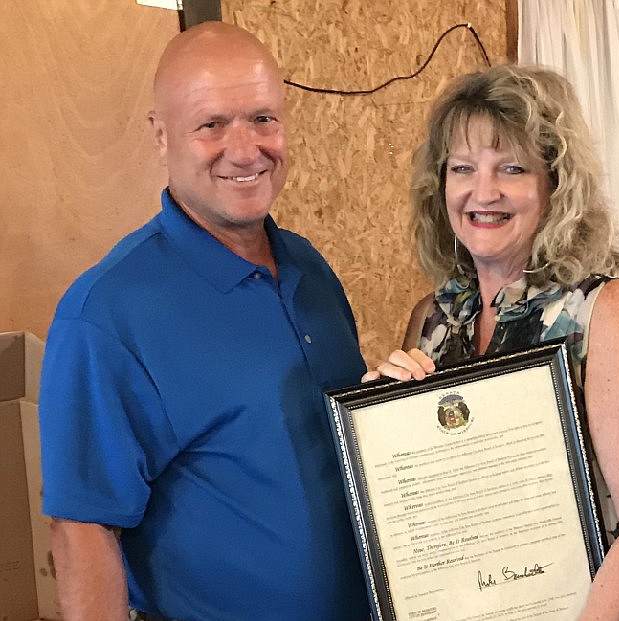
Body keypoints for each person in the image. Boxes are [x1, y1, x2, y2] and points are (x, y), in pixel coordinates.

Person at [38, 22, 370, 621]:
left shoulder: (310, 268)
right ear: (161, 136)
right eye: (211, 124)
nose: (244, 150)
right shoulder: (105, 313)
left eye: (263, 118)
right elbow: (83, 529)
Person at [367, 65, 619, 621]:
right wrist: (382, 425)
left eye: (511, 168)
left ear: (554, 185)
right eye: (462, 168)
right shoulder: (433, 321)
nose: (482, 192)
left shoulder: (602, 312)